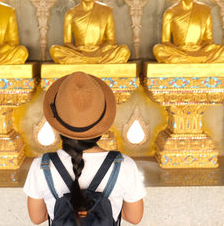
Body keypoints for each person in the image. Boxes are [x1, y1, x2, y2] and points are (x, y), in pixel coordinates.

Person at [24, 72, 145, 225]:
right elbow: (134, 218)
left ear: (58, 125)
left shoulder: (41, 165)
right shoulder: (124, 165)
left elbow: (37, 218)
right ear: (102, 125)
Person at [50, 0, 131, 64]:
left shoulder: (106, 11)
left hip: (100, 52)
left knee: (124, 50)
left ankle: (88, 60)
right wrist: (79, 50)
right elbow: (67, 42)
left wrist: (98, 51)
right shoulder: (71, 14)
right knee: (54, 50)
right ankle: (92, 60)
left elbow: (111, 41)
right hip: (80, 52)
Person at [153, 0, 224, 63]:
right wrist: (181, 50)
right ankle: (196, 60)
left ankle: (190, 60)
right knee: (158, 49)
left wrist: (204, 47)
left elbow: (209, 39)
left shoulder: (205, 10)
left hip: (199, 51)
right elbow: (165, 41)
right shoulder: (170, 12)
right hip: (180, 51)